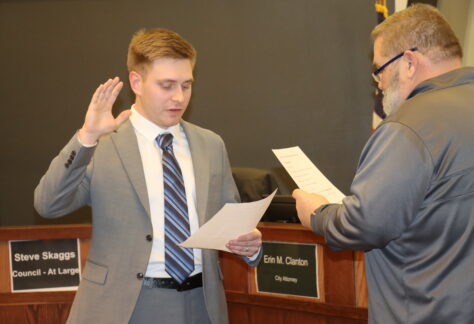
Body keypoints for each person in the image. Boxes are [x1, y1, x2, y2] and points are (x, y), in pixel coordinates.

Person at [34, 28, 262, 324]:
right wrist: (86, 136)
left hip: (202, 304)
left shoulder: (211, 144)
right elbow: (48, 205)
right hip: (124, 306)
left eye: (186, 85)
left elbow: (230, 221)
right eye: (166, 85)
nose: (179, 97)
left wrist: (249, 244)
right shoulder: (102, 143)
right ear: (136, 82)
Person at [292, 4, 474, 324]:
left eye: (380, 69)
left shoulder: (410, 125)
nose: (377, 83)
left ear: (407, 62)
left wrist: (317, 214)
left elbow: (367, 224)